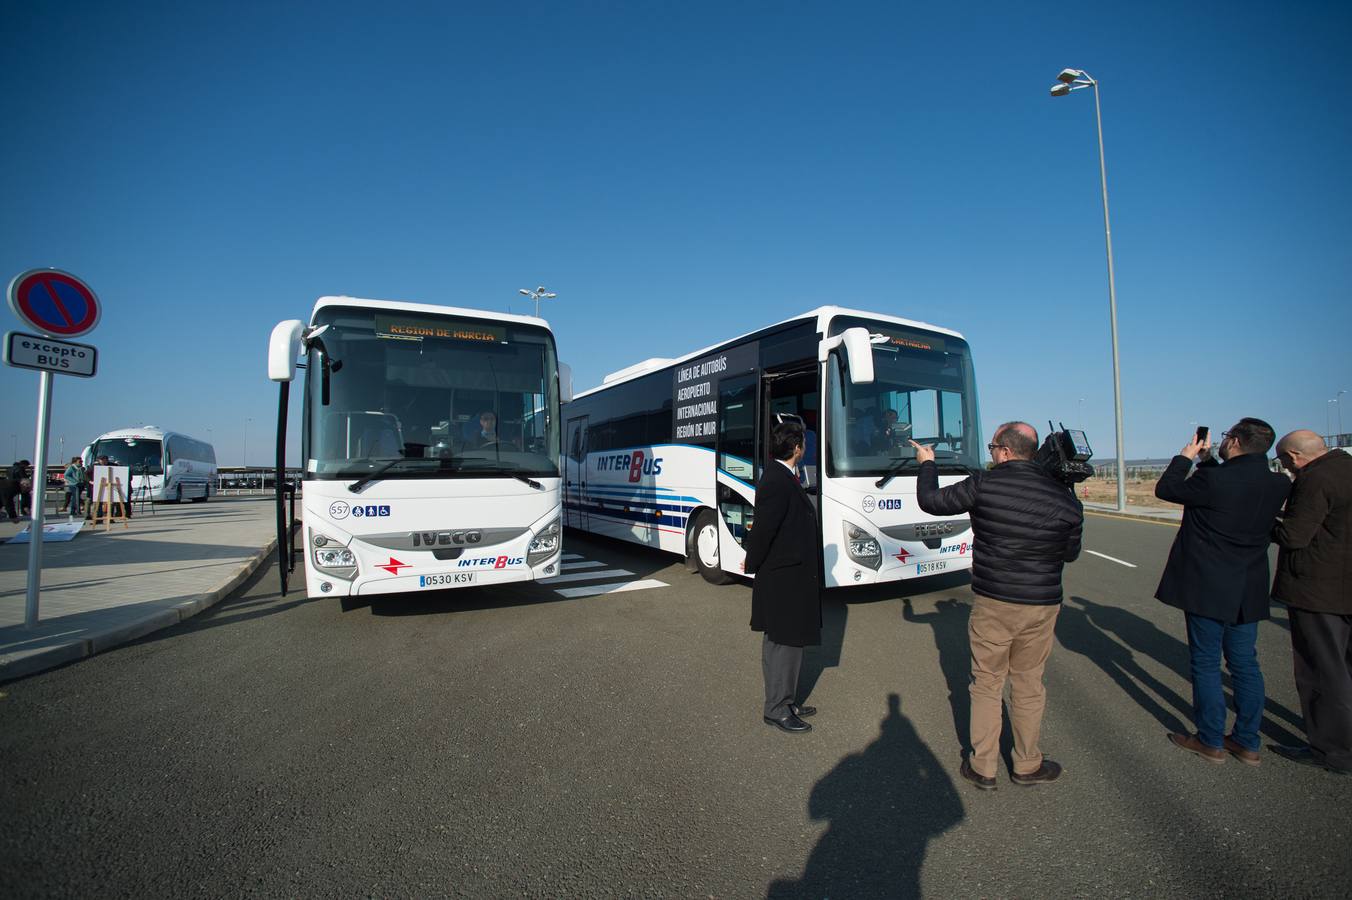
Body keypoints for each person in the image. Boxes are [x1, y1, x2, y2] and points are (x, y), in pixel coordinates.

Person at [912, 422, 1083, 789]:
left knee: (987, 684)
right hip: (1041, 605)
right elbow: (1070, 553)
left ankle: (984, 767)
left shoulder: (984, 484)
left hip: (995, 602)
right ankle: (1027, 765)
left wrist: (927, 463)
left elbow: (931, 502)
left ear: (1005, 450)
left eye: (993, 446)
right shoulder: (1065, 497)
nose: (991, 453)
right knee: (1028, 684)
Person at [1154, 418, 1290, 766]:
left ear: (1236, 441)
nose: (1225, 440)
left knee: (1206, 663)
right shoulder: (1277, 483)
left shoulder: (1212, 480)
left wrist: (1187, 457)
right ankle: (1247, 741)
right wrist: (1208, 459)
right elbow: (1232, 487)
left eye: (1228, 436)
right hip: (1249, 586)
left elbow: (1166, 489)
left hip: (1208, 587)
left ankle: (1211, 739)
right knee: (1245, 664)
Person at [1269, 430, 1352, 775]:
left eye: (1285, 460)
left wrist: (1262, 521)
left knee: (1321, 671)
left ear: (1294, 456)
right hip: (1344, 588)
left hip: (1319, 591)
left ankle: (1332, 750)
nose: (1286, 466)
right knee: (1345, 667)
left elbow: (1294, 535)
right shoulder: (1346, 467)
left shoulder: (1314, 480)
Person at [744, 419, 822, 734]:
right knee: (783, 644)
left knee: (790, 644)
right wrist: (753, 565)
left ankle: (786, 700)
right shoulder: (776, 480)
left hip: (790, 576)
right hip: (782, 578)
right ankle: (776, 708)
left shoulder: (784, 475)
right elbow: (763, 531)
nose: (804, 448)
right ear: (796, 447)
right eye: (802, 443)